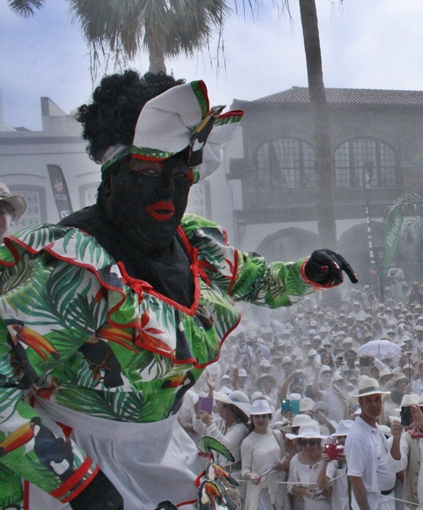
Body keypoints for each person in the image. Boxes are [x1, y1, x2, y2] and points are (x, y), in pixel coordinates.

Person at [0, 71, 357, 510]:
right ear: (110, 176)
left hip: (161, 454)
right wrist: (81, 485)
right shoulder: (73, 265)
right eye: (149, 171)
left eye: (181, 175)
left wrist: (305, 272)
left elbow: (253, 280)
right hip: (66, 463)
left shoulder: (193, 244)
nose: (168, 188)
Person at [345, 378, 397, 510]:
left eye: (377, 399)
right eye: (368, 400)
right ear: (360, 403)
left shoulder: (375, 427)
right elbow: (355, 478)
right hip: (373, 504)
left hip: (387, 500)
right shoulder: (358, 436)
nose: (374, 404)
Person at [241, 399, 290, 510]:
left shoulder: (276, 435)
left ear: (269, 417)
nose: (261, 420)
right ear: (252, 418)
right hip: (259, 492)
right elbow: (245, 470)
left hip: (277, 488)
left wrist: (282, 464)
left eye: (264, 416)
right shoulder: (248, 442)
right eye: (257, 417)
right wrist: (251, 476)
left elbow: (283, 456)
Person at [287, 422, 331, 510]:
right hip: (308, 505)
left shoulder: (328, 457)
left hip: (331, 504)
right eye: (304, 443)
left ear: (318, 442)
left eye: (312, 442)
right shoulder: (295, 461)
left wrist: (331, 489)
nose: (308, 446)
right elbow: (290, 486)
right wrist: (303, 491)